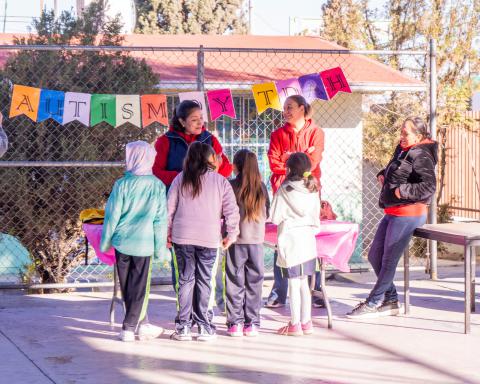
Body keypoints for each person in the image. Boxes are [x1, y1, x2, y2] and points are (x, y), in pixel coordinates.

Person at [347, 117, 437, 319]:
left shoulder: (422, 154)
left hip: (408, 213)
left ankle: (373, 303)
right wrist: (383, 174)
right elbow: (397, 170)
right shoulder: (404, 149)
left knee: (388, 261)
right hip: (393, 212)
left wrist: (400, 192)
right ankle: (391, 300)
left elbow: (429, 187)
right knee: (374, 256)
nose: (402, 136)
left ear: (419, 135)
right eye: (401, 132)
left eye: (406, 133)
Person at [152, 99, 232, 301]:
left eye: (201, 119)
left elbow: (226, 167)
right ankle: (184, 302)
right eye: (194, 119)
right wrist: (184, 176)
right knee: (182, 261)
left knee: (209, 260)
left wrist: (206, 174)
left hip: (206, 208)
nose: (199, 123)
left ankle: (212, 301)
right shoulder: (166, 141)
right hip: (179, 206)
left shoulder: (210, 140)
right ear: (181, 120)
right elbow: (156, 171)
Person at [167, 142, 240, 341]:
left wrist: (167, 233)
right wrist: (231, 235)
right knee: (205, 281)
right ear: (211, 159)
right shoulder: (220, 181)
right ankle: (204, 327)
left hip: (182, 238)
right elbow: (232, 211)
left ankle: (183, 327)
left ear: (189, 158)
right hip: (209, 239)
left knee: (185, 280)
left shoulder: (180, 179)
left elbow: (169, 210)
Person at [101, 141, 167, 342]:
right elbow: (160, 220)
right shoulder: (157, 186)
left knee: (127, 285)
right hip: (144, 243)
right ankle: (129, 327)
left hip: (122, 241)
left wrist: (105, 242)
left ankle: (137, 324)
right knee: (139, 286)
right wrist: (159, 249)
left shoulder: (121, 184)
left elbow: (111, 216)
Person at [265, 94, 325, 309]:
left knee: (308, 240)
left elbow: (313, 162)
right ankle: (279, 291)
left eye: (290, 107)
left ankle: (315, 288)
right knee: (281, 242)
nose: (286, 111)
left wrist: (290, 158)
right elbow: (274, 163)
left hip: (308, 191)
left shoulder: (316, 133)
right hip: (283, 192)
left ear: (302, 108)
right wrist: (298, 160)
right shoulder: (277, 134)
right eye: (285, 107)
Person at [270, 152, 321, 336]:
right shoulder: (313, 188)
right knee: (304, 283)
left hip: (290, 240)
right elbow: (316, 219)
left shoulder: (284, 189)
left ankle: (294, 323)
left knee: (293, 282)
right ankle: (306, 322)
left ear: (289, 169)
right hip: (308, 240)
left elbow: (275, 218)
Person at [225, 149, 270, 337]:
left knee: (234, 280)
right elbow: (267, 214)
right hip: (256, 241)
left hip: (235, 241)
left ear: (236, 166)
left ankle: (235, 323)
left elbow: (224, 211)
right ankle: (252, 323)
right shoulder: (261, 187)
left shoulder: (230, 186)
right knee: (255, 281)